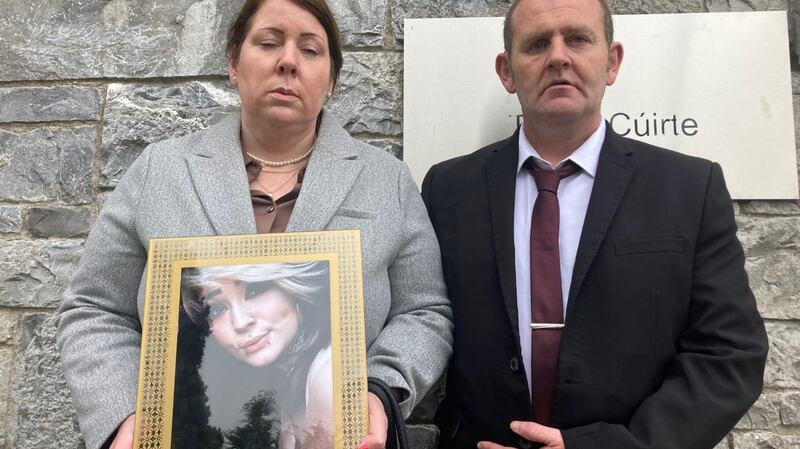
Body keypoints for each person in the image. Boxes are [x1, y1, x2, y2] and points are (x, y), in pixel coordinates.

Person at [56, 1, 453, 448]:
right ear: (233, 62)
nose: (287, 61)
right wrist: (128, 416)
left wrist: (379, 391)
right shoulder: (160, 170)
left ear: (331, 79)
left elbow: (425, 312)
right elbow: (95, 307)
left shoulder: (386, 180)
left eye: (310, 50)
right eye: (268, 43)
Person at [421, 1, 769, 448]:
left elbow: (730, 353)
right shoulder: (448, 189)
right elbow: (426, 319)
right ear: (507, 71)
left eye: (579, 39)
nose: (559, 57)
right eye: (537, 43)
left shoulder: (688, 188)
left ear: (612, 61)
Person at [181, 261, 334, 449]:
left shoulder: (328, 373)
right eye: (217, 309)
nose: (240, 322)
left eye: (254, 291)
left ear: (291, 287)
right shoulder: (285, 383)